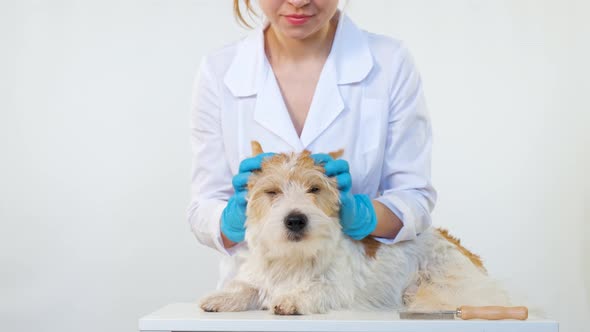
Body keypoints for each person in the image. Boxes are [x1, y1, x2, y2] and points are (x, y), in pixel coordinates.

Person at [188, 0, 437, 290]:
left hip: (353, 287)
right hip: (254, 292)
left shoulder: (389, 61)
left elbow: (415, 199)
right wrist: (232, 218)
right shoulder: (220, 70)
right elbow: (202, 211)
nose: (298, 2)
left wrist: (363, 214)